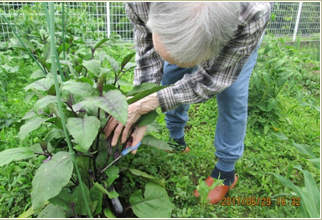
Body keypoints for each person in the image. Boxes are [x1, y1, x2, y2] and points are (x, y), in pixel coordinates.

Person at [104, 2, 273, 204]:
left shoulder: (252, 13)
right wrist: (141, 105)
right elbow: (148, 57)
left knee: (232, 93)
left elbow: (210, 81)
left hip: (235, 32)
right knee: (171, 75)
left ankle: (226, 171)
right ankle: (177, 140)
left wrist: (149, 103)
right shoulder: (140, 4)